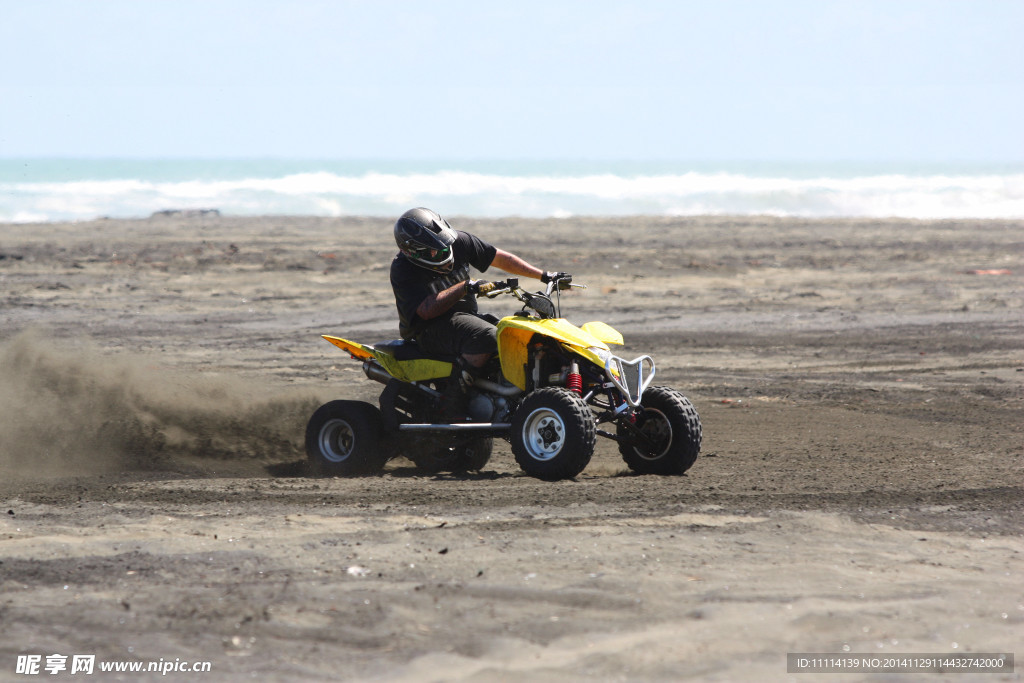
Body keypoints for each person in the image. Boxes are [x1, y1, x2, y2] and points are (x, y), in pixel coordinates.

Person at [390, 207, 568, 416]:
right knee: (485, 336)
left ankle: (516, 396)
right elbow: (425, 311)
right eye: (432, 250)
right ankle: (452, 403)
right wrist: (466, 287)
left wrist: (544, 275)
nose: (441, 252)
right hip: (429, 329)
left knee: (517, 334)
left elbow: (499, 258)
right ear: (413, 250)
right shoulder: (402, 269)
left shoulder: (458, 242)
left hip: (465, 319)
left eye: (443, 245)